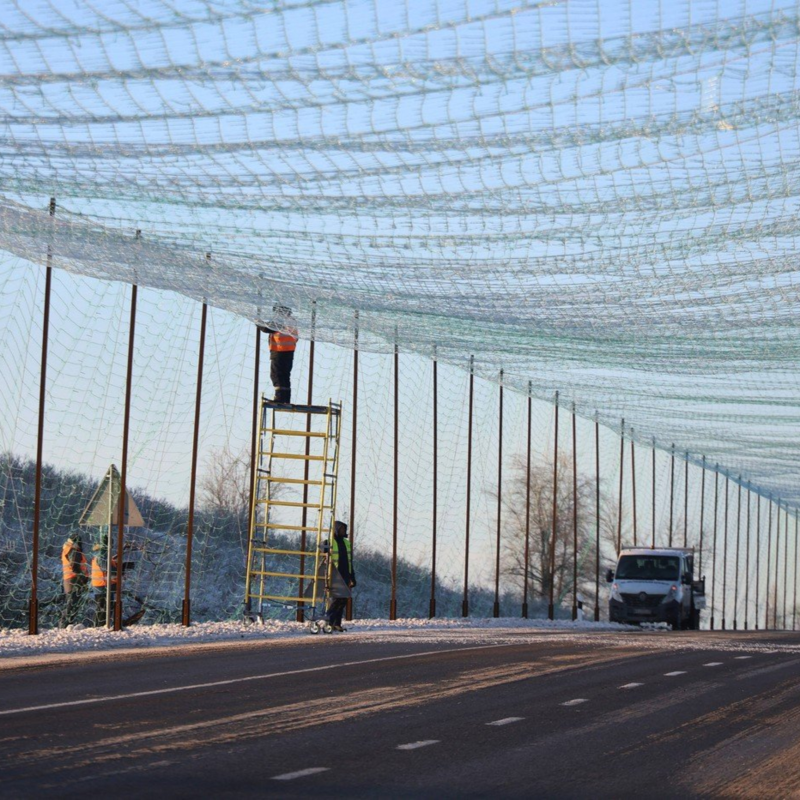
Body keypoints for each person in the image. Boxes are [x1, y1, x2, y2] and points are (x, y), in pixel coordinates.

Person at [258, 305, 298, 404]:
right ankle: (286, 399)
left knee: (276, 375)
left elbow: (266, 328)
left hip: (280, 351)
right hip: (289, 352)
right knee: (285, 375)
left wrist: (257, 322)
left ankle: (280, 398)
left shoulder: (281, 321)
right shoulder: (291, 321)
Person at [325, 520, 356, 631]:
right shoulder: (329, 542)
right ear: (336, 529)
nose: (344, 531)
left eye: (345, 529)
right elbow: (323, 558)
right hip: (334, 575)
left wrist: (352, 577)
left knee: (343, 600)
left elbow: (349, 561)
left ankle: (336, 623)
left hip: (345, 575)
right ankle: (329, 620)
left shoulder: (346, 543)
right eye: (342, 529)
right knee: (337, 599)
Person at [60, 533, 89, 627]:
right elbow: (75, 565)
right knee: (72, 603)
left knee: (71, 602)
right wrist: (82, 577)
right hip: (74, 579)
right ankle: (66, 624)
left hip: (69, 579)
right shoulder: (74, 550)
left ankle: (66, 624)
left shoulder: (67, 549)